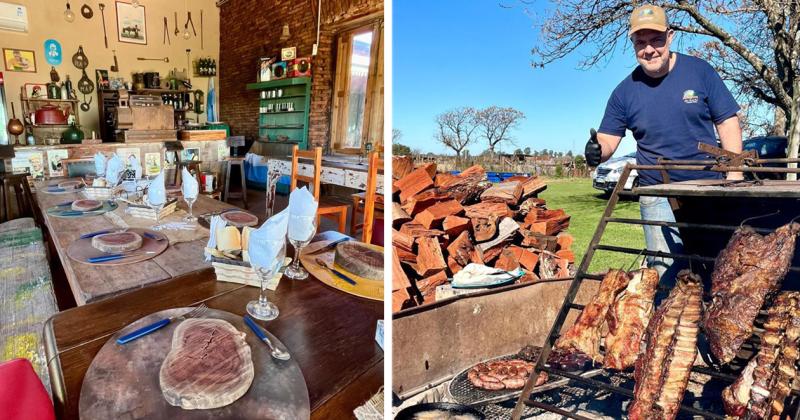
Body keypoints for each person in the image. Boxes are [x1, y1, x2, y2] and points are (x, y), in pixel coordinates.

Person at [584, 4, 743, 286]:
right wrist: (597, 150)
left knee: (717, 269)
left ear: (670, 36)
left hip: (708, 189)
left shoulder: (700, 72)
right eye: (641, 42)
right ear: (633, 44)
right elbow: (608, 138)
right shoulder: (625, 91)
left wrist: (734, 174)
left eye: (656, 40)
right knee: (665, 274)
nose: (649, 49)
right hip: (657, 194)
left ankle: (709, 328)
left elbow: (727, 121)